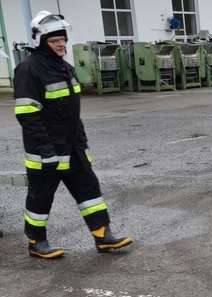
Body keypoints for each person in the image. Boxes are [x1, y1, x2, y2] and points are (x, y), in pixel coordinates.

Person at [14, 11, 132, 259]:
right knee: (41, 197)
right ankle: (36, 241)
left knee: (90, 190)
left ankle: (103, 236)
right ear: (40, 41)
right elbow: (27, 114)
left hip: (73, 147)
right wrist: (45, 149)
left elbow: (72, 113)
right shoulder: (28, 69)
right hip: (46, 151)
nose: (60, 44)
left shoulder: (65, 68)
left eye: (62, 39)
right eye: (54, 40)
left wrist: (82, 142)